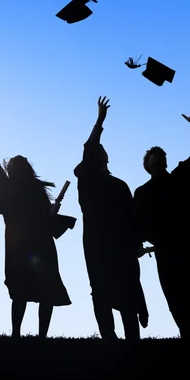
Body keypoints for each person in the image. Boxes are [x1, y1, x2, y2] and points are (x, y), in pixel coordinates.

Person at [0, 108, 74, 338]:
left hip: (19, 244)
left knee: (22, 289)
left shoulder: (9, 187)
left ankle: (17, 334)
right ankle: (38, 336)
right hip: (37, 244)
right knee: (40, 289)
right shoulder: (33, 189)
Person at [74, 97, 149, 340]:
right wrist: (99, 121)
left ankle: (124, 338)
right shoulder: (89, 180)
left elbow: (132, 217)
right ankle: (112, 337)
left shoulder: (114, 185)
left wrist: (136, 243)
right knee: (103, 291)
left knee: (117, 290)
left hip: (111, 244)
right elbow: (89, 147)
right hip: (101, 244)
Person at [134, 103, 190, 339]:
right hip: (169, 249)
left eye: (159, 153)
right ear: (148, 164)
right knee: (176, 293)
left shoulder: (181, 177)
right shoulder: (143, 193)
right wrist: (140, 244)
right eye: (152, 154)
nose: (157, 154)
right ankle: (187, 335)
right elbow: (139, 224)